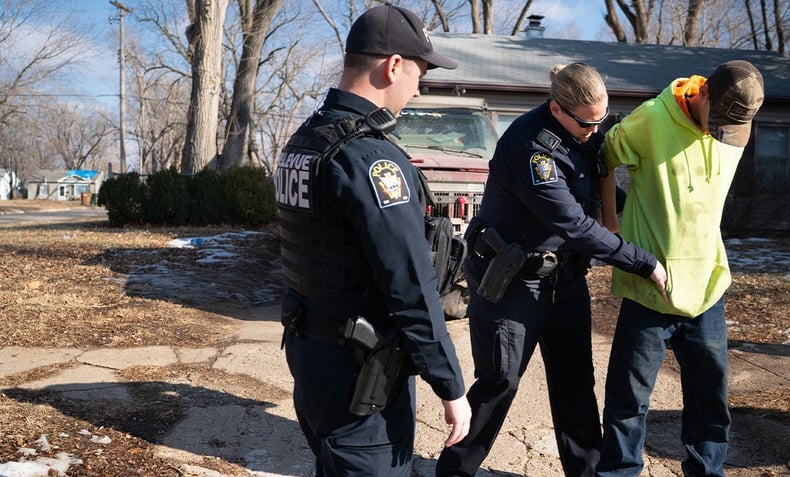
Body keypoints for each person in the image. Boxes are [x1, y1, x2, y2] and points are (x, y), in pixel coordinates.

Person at [435, 63, 668, 477]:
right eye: (587, 122)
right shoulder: (531, 148)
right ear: (558, 109)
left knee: (576, 385)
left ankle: (586, 472)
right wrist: (642, 261)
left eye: (602, 119)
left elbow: (600, 192)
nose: (596, 131)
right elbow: (575, 225)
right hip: (513, 283)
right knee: (499, 384)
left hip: (566, 281)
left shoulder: (584, 136)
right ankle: (454, 471)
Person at [272, 4, 471, 475]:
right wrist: (451, 386)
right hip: (362, 375)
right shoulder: (370, 158)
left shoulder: (305, 140)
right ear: (393, 66)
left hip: (313, 358)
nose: (419, 87)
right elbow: (409, 283)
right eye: (420, 73)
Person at [596, 60, 765, 477]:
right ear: (703, 92)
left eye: (734, 126)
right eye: (720, 120)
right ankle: (619, 473)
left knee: (710, 397)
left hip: (707, 288)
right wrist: (611, 225)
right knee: (629, 399)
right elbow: (604, 156)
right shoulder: (652, 120)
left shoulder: (734, 126)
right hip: (649, 288)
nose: (723, 131)